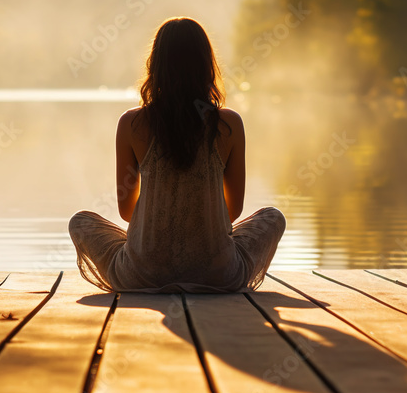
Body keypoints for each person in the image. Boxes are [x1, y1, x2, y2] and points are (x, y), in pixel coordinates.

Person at [68, 17, 286, 293]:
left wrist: (155, 231)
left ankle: (147, 254)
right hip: (216, 274)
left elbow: (126, 212)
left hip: (142, 274)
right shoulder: (229, 124)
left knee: (81, 222)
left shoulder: (131, 124)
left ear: (156, 65)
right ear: (207, 65)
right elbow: (233, 211)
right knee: (272, 217)